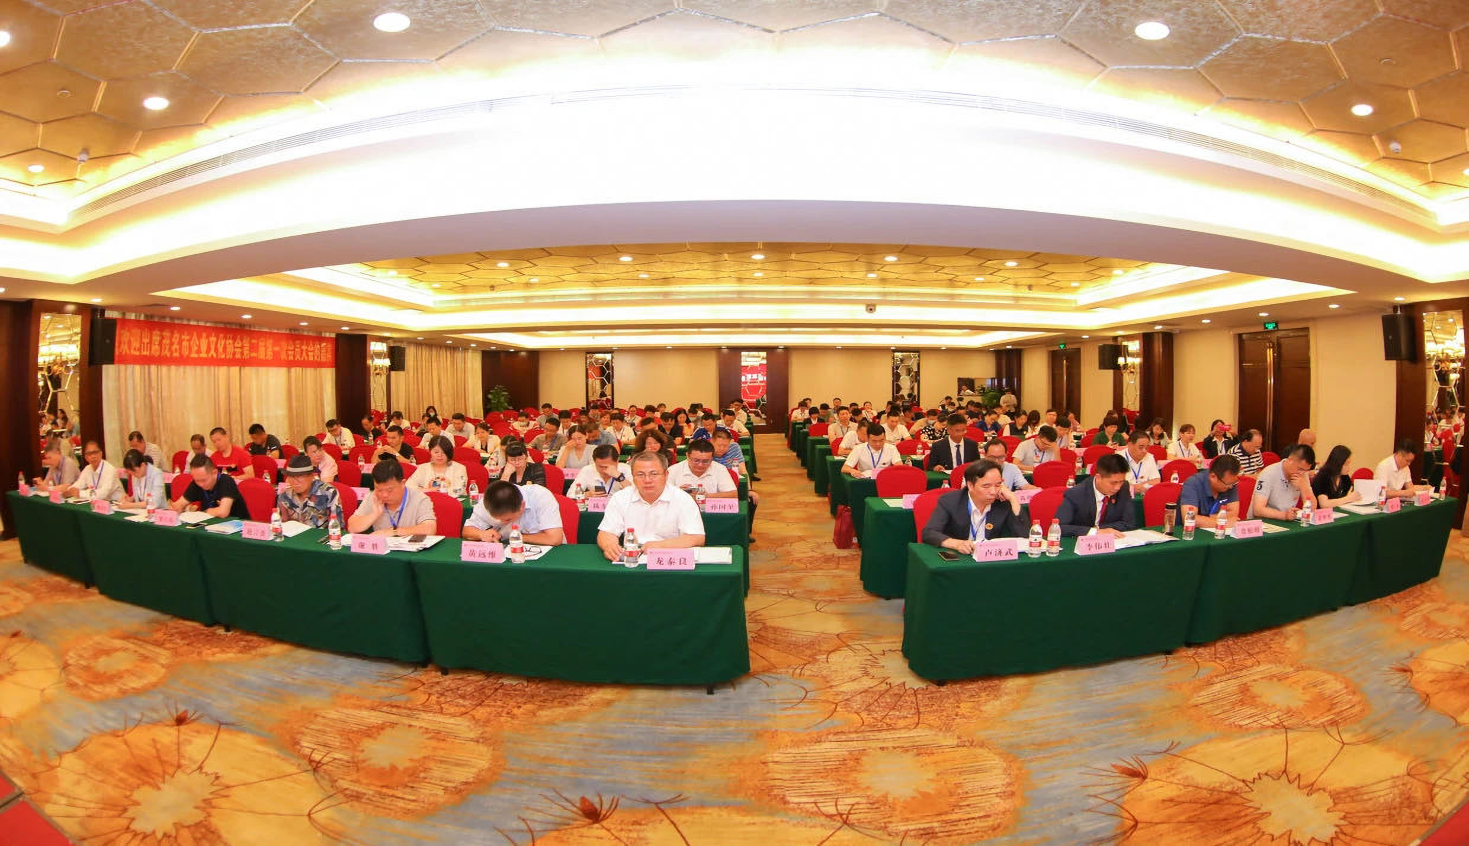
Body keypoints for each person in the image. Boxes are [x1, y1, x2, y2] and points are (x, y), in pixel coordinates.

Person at [596, 450, 706, 562]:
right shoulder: (620, 497)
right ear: (633, 476)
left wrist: (661, 545)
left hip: (668, 558)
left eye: (654, 474)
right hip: (633, 557)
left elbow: (697, 537)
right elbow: (606, 532)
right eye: (640, 475)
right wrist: (610, 546)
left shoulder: (683, 499)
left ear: (666, 475)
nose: (647, 480)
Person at [921, 459, 1027, 552]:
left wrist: (1013, 499)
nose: (993, 491)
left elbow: (1025, 536)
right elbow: (929, 533)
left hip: (990, 559)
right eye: (986, 486)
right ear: (970, 485)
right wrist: (957, 544)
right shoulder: (950, 501)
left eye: (998, 485)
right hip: (960, 558)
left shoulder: (1003, 501)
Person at [348, 460, 438, 537]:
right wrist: (374, 514)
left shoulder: (420, 499)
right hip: (383, 550)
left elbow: (430, 529)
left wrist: (394, 531)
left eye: (389, 490)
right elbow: (352, 527)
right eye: (379, 489)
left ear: (403, 484)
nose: (384, 495)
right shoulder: (373, 497)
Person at [1055, 453, 1136, 537]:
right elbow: (1060, 527)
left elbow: (1129, 523)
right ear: (1098, 477)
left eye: (1121, 482)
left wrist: (1100, 529)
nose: (1117, 488)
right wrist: (1094, 532)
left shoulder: (1124, 488)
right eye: (1113, 483)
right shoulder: (1076, 493)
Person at [464, 480, 565, 545]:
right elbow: (467, 530)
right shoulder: (490, 500)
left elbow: (554, 539)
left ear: (522, 506)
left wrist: (516, 537)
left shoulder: (541, 496)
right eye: (497, 519)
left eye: (508, 519)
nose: (502, 522)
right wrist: (481, 534)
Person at [171, 453, 251, 519]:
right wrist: (176, 508)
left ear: (214, 473)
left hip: (237, 526)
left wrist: (203, 512)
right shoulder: (196, 483)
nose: (200, 484)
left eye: (204, 480)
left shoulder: (226, 481)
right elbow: (178, 505)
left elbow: (223, 512)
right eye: (197, 480)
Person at [276, 454, 343, 528]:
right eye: (291, 477)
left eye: (300, 476)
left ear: (312, 476)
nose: (295, 481)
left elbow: (337, 527)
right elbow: (281, 526)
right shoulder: (285, 495)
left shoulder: (329, 493)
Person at [1251, 443, 1315, 521]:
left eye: (1306, 470)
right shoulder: (1268, 473)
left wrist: (1304, 487)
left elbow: (1312, 509)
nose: (1301, 473)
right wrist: (1284, 515)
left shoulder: (1303, 474)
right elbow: (1258, 510)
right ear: (1290, 460)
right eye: (1300, 469)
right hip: (1265, 522)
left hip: (1287, 521)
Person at [1178, 453, 1241, 529]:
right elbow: (1189, 519)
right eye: (1227, 484)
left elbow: (1233, 514)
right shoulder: (1192, 483)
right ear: (1213, 477)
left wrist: (1204, 519)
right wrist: (1223, 523)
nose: (1231, 487)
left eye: (1233, 483)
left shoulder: (1230, 483)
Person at [668, 439, 739, 499]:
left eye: (705, 461)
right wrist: (678, 493)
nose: (700, 465)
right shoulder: (673, 470)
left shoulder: (720, 469)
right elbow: (663, 495)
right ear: (687, 456)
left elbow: (733, 494)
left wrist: (708, 496)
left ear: (712, 459)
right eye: (696, 460)